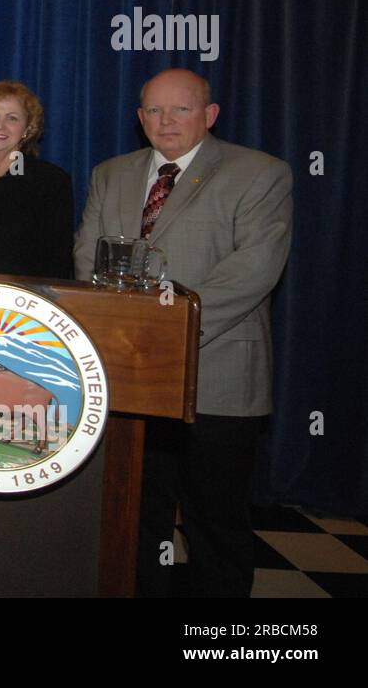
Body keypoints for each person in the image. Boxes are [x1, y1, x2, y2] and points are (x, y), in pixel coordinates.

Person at [74, 68, 292, 597]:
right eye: (153, 110)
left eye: (181, 109)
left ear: (210, 114)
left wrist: (161, 333)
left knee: (215, 525)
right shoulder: (112, 172)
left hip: (216, 377)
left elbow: (253, 272)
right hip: (130, 383)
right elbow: (87, 257)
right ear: (139, 117)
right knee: (132, 520)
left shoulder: (260, 173)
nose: (165, 121)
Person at [0, 81, 73, 279]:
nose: (0, 126)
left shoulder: (49, 181)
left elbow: (57, 261)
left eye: (12, 118)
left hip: (20, 300)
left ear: (28, 128)